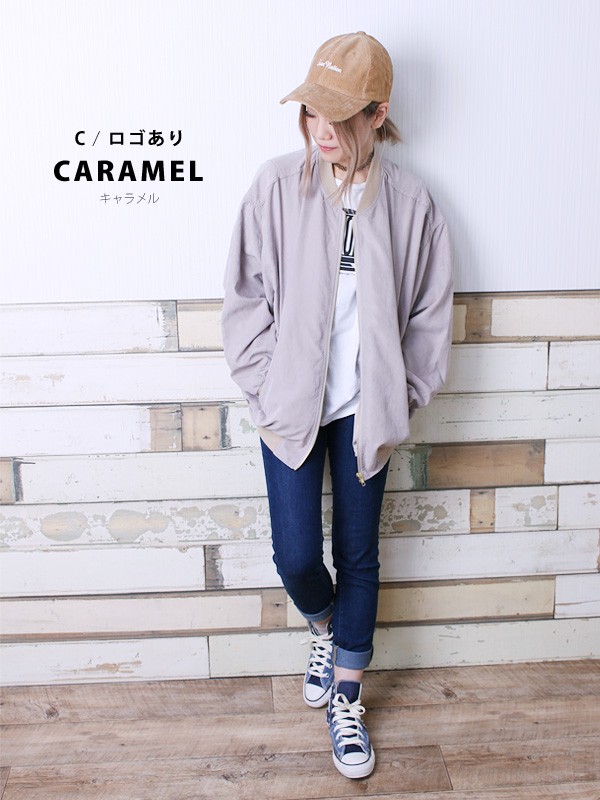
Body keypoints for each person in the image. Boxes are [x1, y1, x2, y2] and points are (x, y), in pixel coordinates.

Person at [221, 31, 453, 780]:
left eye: (338, 115)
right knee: (296, 556)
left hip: (366, 412)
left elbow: (430, 317)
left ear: (377, 115)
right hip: (290, 408)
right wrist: (264, 385)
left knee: (358, 556)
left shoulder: (412, 205)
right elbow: (244, 298)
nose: (320, 129)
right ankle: (324, 627)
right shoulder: (274, 188)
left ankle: (347, 698)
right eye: (311, 111)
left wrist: (400, 397)